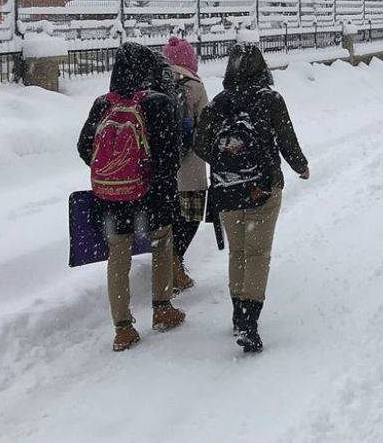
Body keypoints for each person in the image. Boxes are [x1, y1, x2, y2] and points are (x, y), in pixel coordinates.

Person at [195, 43, 309, 353]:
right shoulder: (270, 99)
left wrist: (225, 160)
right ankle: (249, 321)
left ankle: (238, 314)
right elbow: (286, 139)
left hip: (226, 189)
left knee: (238, 252)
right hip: (262, 187)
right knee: (258, 254)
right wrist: (300, 166)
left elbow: (200, 143)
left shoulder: (219, 103)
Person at [77, 42, 185, 352]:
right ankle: (162, 308)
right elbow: (170, 153)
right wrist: (152, 177)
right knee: (161, 244)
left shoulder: (103, 104)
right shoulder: (157, 102)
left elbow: (84, 146)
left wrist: (114, 170)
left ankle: (122, 328)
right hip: (153, 194)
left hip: (111, 196)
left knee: (118, 256)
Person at [162, 36, 209, 293]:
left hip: (162, 167)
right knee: (190, 217)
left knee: (167, 219)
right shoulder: (195, 86)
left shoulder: (155, 84)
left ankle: (166, 264)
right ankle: (175, 261)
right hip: (190, 167)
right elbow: (207, 126)